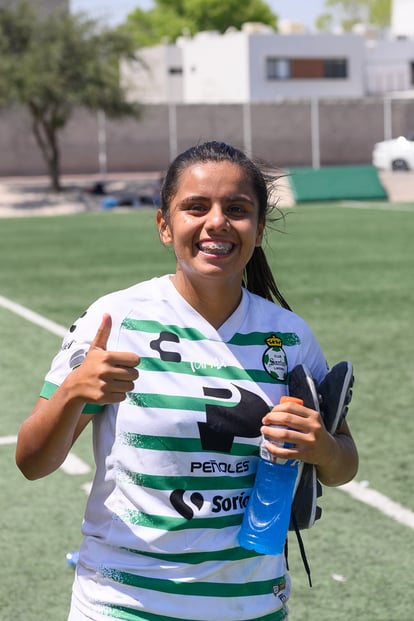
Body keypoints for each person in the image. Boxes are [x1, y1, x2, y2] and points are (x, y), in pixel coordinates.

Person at [16, 141, 358, 621]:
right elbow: (31, 461)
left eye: (236, 210)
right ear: (164, 225)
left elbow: (342, 464)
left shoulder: (290, 335)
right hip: (124, 604)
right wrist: (74, 391)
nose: (216, 222)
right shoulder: (117, 320)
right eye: (196, 207)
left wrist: (321, 447)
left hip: (252, 605)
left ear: (258, 229)